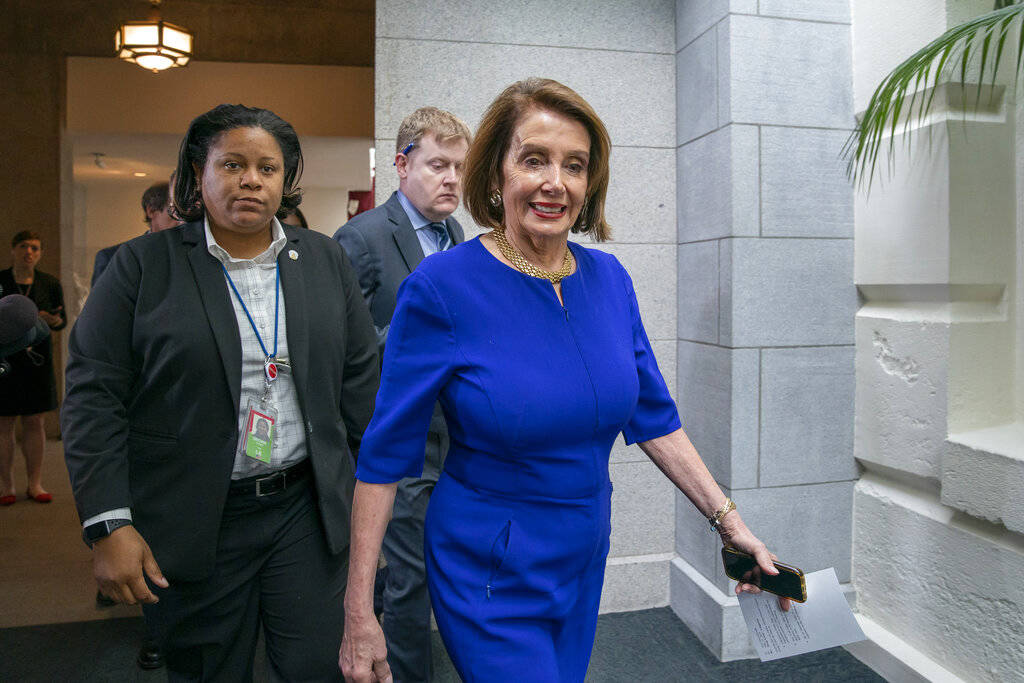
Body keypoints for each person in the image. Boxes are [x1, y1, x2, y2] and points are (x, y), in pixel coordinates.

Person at [340, 78, 790, 683]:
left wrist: (733, 529)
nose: (556, 181)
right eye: (534, 160)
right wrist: (358, 611)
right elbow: (384, 455)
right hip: (488, 562)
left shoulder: (611, 280)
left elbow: (654, 418)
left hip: (582, 550)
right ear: (496, 174)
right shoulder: (441, 288)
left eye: (574, 165)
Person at [62, 103, 379, 681]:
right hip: (196, 514)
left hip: (305, 510)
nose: (251, 180)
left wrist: (374, 499)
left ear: (285, 181)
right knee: (209, 669)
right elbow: (94, 394)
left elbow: (361, 385)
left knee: (317, 665)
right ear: (198, 172)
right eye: (232, 164)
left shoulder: (324, 261)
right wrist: (108, 522)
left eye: (268, 168)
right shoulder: (141, 266)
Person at [333, 105, 470, 683]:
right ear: (401, 164)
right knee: (412, 577)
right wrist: (422, 336)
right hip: (403, 440)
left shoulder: (457, 234)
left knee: (436, 566)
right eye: (438, 165)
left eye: (460, 169)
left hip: (458, 437)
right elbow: (343, 351)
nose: (452, 180)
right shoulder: (360, 237)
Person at [0, 230, 66, 506]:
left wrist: (50, 320)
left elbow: (61, 321)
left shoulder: (49, 283)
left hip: (37, 363)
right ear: (14, 250)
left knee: (35, 422)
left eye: (36, 248)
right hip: (5, 363)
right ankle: (6, 486)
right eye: (25, 246)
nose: (30, 252)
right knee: (4, 423)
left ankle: (35, 483)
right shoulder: (1, 281)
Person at [92, 181, 181, 286]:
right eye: (174, 211)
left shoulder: (188, 256)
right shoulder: (112, 257)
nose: (181, 220)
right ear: (151, 211)